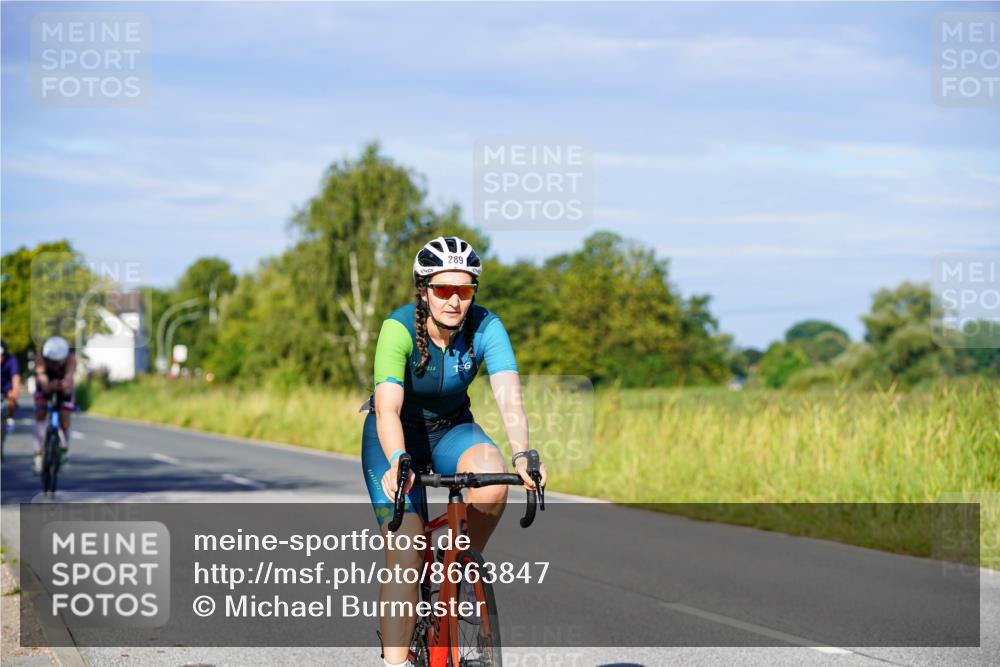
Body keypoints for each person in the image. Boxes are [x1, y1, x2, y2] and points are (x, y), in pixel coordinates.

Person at [362, 236, 547, 667]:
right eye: (442, 289)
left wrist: (523, 455)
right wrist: (396, 461)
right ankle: (395, 661)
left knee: (491, 484)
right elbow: (387, 408)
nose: (453, 300)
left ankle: (457, 570)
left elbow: (509, 397)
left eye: (463, 290)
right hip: (395, 437)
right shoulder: (399, 328)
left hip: (452, 431)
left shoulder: (486, 327)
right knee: (406, 557)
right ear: (424, 291)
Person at [33, 336, 76, 474]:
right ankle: (38, 455)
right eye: (52, 362)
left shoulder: (71, 359)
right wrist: (47, 386)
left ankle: (64, 450)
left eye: (58, 362)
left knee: (65, 419)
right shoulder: (40, 357)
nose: (55, 365)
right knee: (40, 413)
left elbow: (69, 377)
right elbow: (41, 377)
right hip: (45, 384)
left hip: (64, 385)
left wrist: (64, 386)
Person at [1, 340, 21, 433]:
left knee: (12, 398)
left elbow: (15, 376)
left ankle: (10, 418)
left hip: (7, 387)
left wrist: (15, 390)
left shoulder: (11, 360)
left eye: (2, 355)